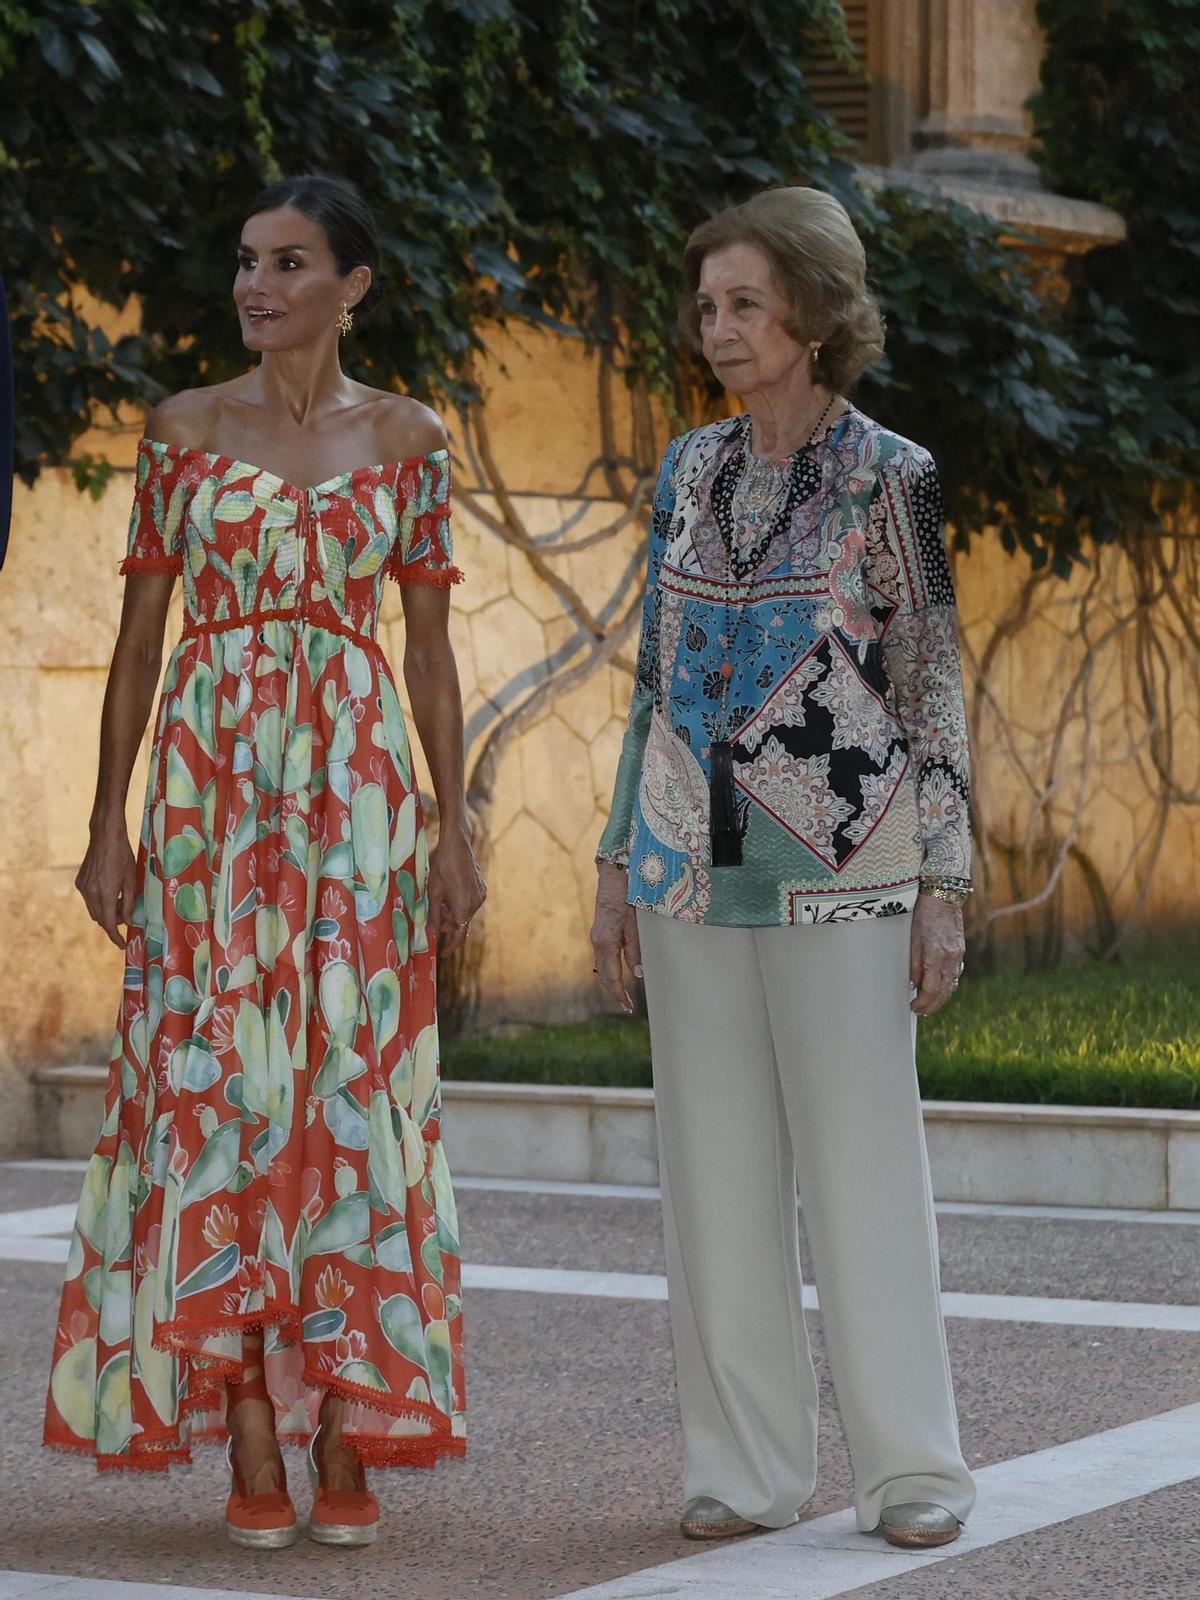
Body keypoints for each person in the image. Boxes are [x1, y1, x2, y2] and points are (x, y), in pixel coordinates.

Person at [44, 174, 486, 1551]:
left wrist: (452, 822)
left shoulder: (412, 439)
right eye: (246, 261)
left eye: (290, 263)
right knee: (219, 1081)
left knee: (351, 1085)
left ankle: (348, 1415)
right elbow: (138, 647)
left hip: (353, 800)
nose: (257, 286)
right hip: (210, 793)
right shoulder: (181, 429)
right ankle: (241, 1411)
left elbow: (425, 652)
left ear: (353, 284)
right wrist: (109, 822)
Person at [591, 186, 976, 1550]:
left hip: (850, 868)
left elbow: (933, 684)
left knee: (864, 1168)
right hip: (686, 859)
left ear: (814, 312)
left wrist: (946, 883)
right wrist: (611, 859)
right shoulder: (685, 472)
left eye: (744, 302)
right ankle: (746, 1469)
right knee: (713, 1175)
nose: (717, 328)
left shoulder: (902, 478)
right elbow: (650, 674)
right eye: (706, 307)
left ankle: (911, 1468)